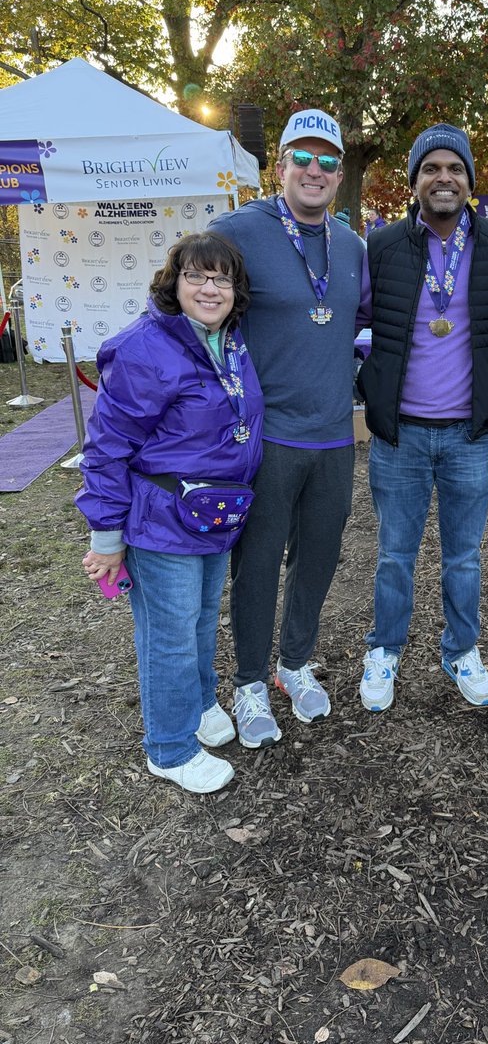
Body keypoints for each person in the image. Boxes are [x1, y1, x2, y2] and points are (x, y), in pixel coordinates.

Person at [76, 232, 264, 793]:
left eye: (222, 279)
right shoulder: (145, 348)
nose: (210, 288)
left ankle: (200, 703)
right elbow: (107, 446)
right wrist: (106, 535)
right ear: (173, 281)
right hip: (161, 518)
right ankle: (170, 746)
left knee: (202, 620)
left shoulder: (227, 340)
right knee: (170, 634)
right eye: (197, 276)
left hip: (210, 514)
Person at [210, 109, 365, 747]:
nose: (314, 170)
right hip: (267, 436)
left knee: (319, 558)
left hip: (334, 436)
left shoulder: (353, 244)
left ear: (338, 174)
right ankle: (249, 683)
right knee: (259, 561)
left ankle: (293, 666)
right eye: (302, 157)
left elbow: (364, 326)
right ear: (279, 166)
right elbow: (197, 313)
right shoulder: (236, 231)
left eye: (328, 161)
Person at [355, 124, 488, 711]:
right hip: (399, 435)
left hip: (470, 434)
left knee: (464, 557)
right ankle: (385, 650)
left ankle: (461, 649)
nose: (443, 178)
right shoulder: (381, 247)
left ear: (470, 181)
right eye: (431, 169)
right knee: (395, 553)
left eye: (454, 168)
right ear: (414, 181)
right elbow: (346, 317)